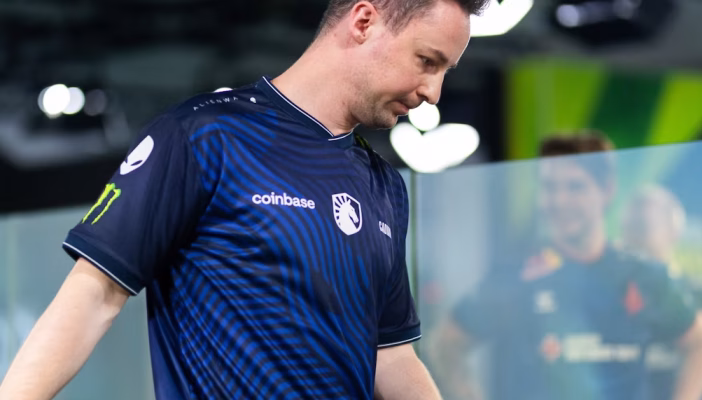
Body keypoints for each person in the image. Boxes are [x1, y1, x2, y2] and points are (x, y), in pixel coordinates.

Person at [0, 0, 489, 398]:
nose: (434, 92)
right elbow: (93, 296)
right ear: (364, 21)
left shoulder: (384, 187)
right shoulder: (204, 136)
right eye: (427, 61)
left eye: (445, 70)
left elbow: (390, 355)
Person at [428, 132, 702, 400]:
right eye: (550, 187)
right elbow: (445, 344)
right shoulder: (518, 275)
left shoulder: (642, 274)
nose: (560, 201)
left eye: (575, 187)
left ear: (607, 190)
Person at [619, 185, 702, 400]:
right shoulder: (611, 300)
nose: (630, 239)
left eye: (641, 227)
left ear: (673, 231)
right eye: (626, 229)